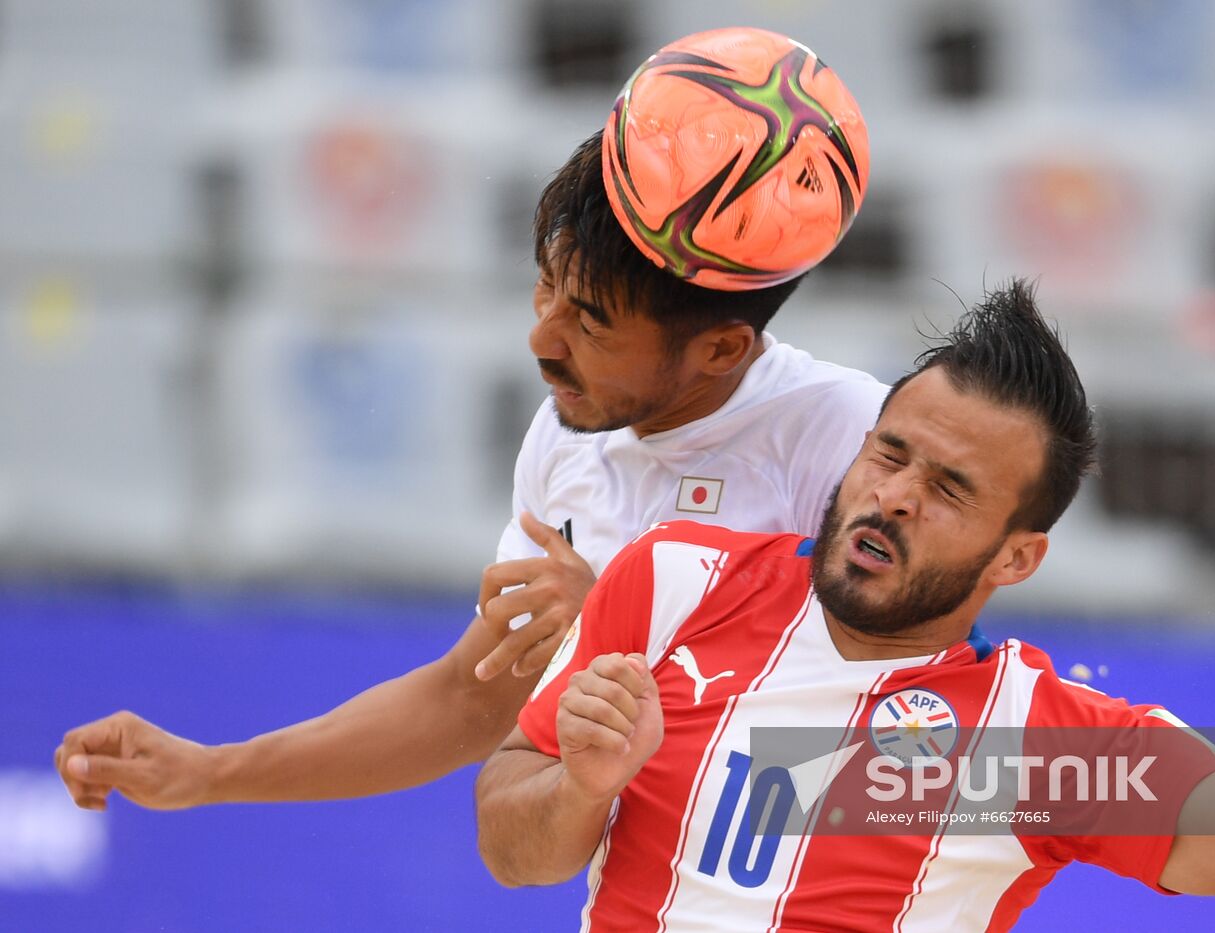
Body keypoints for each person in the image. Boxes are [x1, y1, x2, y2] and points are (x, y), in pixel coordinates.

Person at [476, 280, 1215, 931]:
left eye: (950, 488)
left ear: (1017, 556)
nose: (894, 496)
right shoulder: (671, 582)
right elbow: (514, 851)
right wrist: (582, 786)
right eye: (889, 453)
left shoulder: (1025, 751)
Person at [52, 130, 887, 812]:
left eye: (589, 321)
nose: (542, 340)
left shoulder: (862, 439)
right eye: (545, 290)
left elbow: (929, 773)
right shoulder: (568, 439)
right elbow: (468, 700)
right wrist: (210, 772)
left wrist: (622, 627)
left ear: (720, 349)